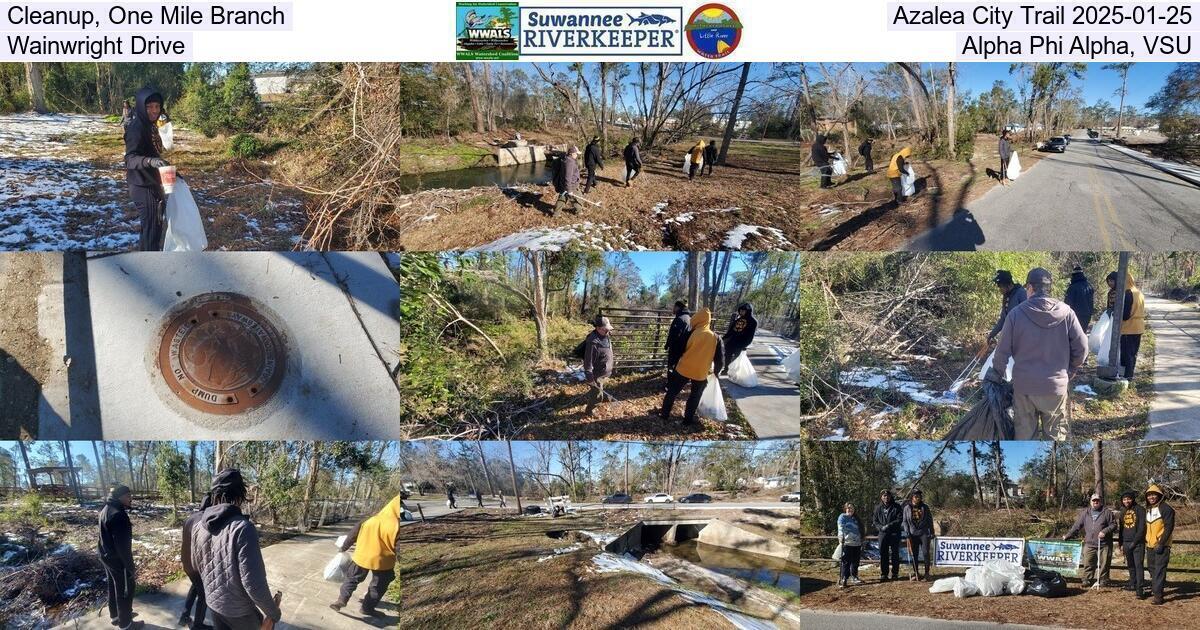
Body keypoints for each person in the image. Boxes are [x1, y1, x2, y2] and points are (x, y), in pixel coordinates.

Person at [989, 268, 1088, 440]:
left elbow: (1001, 352)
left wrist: (996, 375)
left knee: (1025, 438)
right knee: (1056, 438)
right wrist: (1070, 370)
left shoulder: (1015, 315)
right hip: (1055, 389)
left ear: (1029, 288)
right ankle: (1055, 467)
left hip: (1024, 389)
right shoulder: (1067, 313)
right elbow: (1082, 348)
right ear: (1049, 288)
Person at [190, 469, 283, 630]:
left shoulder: (198, 527)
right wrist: (273, 612)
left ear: (215, 496)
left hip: (213, 606)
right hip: (240, 613)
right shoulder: (243, 528)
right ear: (240, 496)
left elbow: (195, 565)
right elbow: (254, 584)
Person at [331, 495, 399, 617]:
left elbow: (352, 535)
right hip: (383, 562)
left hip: (361, 557)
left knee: (351, 579)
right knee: (377, 587)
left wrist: (343, 548)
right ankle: (367, 609)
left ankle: (341, 600)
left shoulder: (370, 519)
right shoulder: (397, 526)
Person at [659, 308, 725, 425]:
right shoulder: (716, 338)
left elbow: (678, 349)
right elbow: (720, 358)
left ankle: (664, 414)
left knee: (672, 391)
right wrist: (717, 371)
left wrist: (673, 364)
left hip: (684, 368)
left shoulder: (690, 333)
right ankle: (687, 420)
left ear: (698, 319)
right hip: (701, 373)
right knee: (695, 396)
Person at [124, 87, 170, 252]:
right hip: (142, 185)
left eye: (157, 107)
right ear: (141, 106)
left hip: (153, 182)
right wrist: (150, 161)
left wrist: (172, 172)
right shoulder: (136, 128)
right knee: (151, 230)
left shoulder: (151, 126)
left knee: (153, 229)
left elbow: (154, 152)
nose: (154, 111)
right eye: (149, 107)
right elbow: (130, 159)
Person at [99, 485, 142, 630]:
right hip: (118, 560)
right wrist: (130, 567)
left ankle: (116, 616)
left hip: (106, 556)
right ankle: (126, 624)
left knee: (113, 586)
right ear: (119, 497)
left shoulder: (105, 509)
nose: (131, 498)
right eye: (128, 495)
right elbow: (123, 547)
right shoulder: (118, 515)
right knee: (125, 590)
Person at [1063, 493, 1116, 587]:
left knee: (1105, 564)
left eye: (1097, 500)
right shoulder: (1085, 512)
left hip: (1104, 543)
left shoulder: (1107, 512)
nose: (1095, 502)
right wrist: (1068, 535)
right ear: (1090, 502)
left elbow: (1113, 525)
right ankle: (1087, 579)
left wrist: (1105, 531)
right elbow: (1077, 526)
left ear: (1100, 502)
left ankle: (1103, 580)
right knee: (1088, 563)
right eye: (1093, 500)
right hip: (1089, 543)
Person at [180, 494, 214, 630]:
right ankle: (198, 625)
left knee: (195, 586)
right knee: (204, 594)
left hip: (187, 562)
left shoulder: (190, 518)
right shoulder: (207, 521)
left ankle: (184, 615)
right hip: (198, 564)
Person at [1105, 271, 1146, 380]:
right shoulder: (1139, 293)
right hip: (1139, 327)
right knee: (1133, 353)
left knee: (1126, 354)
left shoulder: (1128, 293)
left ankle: (1127, 377)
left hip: (1129, 328)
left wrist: (1115, 312)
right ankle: (1129, 375)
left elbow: (1125, 315)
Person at [1145, 484, 1175, 605]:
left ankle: (1158, 596)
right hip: (1150, 545)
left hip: (1162, 545)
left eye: (1153, 495)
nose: (1151, 497)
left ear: (1159, 496)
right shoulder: (1149, 509)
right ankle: (1155, 589)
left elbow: (1169, 527)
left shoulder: (1166, 509)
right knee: (1152, 569)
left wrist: (1161, 543)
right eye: (1149, 495)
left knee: (1159, 570)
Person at [583, 315, 615, 416]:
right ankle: (590, 410)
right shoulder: (593, 342)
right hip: (597, 374)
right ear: (597, 328)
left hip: (604, 371)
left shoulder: (605, 335)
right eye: (605, 330)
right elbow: (588, 361)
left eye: (608, 329)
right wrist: (590, 378)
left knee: (600, 389)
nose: (607, 332)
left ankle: (603, 396)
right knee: (596, 395)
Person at [1118, 490, 1147, 599]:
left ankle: (1140, 590)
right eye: (1124, 499)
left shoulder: (1140, 510)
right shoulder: (1123, 511)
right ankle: (1132, 584)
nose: (1126, 501)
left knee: (1139, 566)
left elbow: (1142, 528)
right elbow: (1121, 528)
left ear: (1132, 499)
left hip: (1138, 543)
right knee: (1130, 565)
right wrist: (1120, 543)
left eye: (1128, 499)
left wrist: (1135, 542)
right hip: (1126, 542)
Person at [987, 270, 1028, 345]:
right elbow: (1003, 319)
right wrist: (992, 334)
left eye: (1000, 286)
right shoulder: (1006, 297)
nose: (999, 289)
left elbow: (1028, 316)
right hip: (1011, 338)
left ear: (1008, 284)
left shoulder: (1021, 294)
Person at [872, 489, 902, 582]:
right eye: (884, 496)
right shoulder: (878, 508)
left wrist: (889, 525)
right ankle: (884, 574)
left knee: (895, 554)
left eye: (888, 495)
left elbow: (900, 519)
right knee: (883, 554)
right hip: (883, 533)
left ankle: (895, 573)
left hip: (894, 533)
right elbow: (875, 521)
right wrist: (881, 527)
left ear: (890, 496)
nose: (886, 497)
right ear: (881, 497)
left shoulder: (897, 506)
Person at [903, 490, 934, 581]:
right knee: (914, 554)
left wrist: (932, 532)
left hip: (923, 533)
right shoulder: (907, 508)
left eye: (919, 496)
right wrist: (907, 532)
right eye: (916, 496)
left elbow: (929, 520)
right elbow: (905, 521)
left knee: (925, 553)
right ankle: (916, 573)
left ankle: (927, 573)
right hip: (912, 533)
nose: (918, 498)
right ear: (912, 497)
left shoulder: (925, 507)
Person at [720, 303, 758, 376]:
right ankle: (726, 369)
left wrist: (744, 345)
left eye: (743, 311)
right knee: (727, 355)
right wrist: (723, 338)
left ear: (748, 311)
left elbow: (750, 336)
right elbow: (731, 331)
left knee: (737, 359)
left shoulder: (753, 322)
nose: (741, 312)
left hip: (741, 343)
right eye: (740, 310)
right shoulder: (738, 320)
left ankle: (735, 373)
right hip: (732, 341)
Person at [837, 503, 864, 588]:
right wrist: (841, 537)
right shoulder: (842, 517)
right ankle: (844, 577)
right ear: (845, 509)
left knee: (855, 561)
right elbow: (840, 527)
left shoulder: (856, 518)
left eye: (852, 508)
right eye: (848, 508)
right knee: (846, 561)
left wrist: (862, 538)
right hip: (847, 543)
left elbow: (861, 529)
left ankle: (854, 576)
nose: (850, 509)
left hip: (857, 543)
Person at [665, 300, 692, 378]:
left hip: (676, 349)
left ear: (677, 307)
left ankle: (670, 385)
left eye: (674, 307)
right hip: (684, 349)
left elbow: (674, 335)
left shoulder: (679, 319)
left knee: (672, 367)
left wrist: (668, 345)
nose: (673, 308)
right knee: (678, 368)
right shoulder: (689, 318)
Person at [551, 146, 582, 215]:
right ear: (572, 154)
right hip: (571, 185)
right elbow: (567, 177)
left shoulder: (567, 159)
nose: (577, 155)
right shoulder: (569, 162)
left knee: (562, 198)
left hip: (564, 184)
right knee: (578, 198)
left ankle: (556, 213)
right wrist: (569, 190)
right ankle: (578, 212)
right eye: (576, 154)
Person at [1063, 265, 1095, 332]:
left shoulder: (1072, 287)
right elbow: (1091, 302)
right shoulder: (1089, 286)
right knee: (1083, 333)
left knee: (1074, 335)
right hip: (1087, 316)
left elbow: (1067, 303)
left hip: (1075, 315)